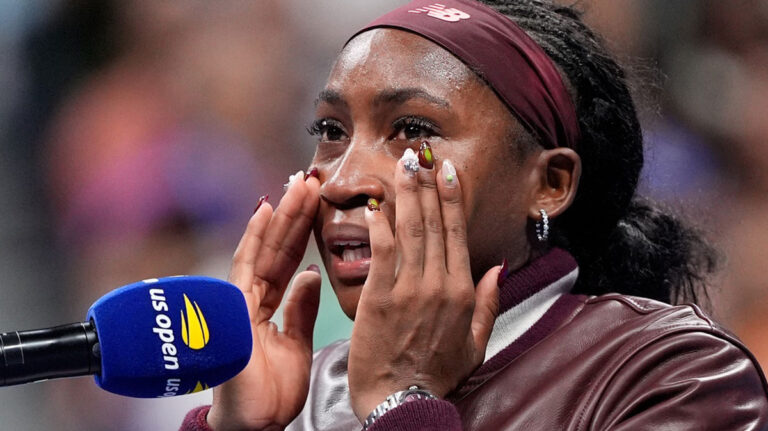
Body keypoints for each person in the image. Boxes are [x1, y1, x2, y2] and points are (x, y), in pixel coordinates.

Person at [181, 0, 768, 429]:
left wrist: (401, 404)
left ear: (549, 183)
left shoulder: (670, 375)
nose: (341, 180)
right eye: (331, 131)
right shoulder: (306, 394)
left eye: (413, 129)